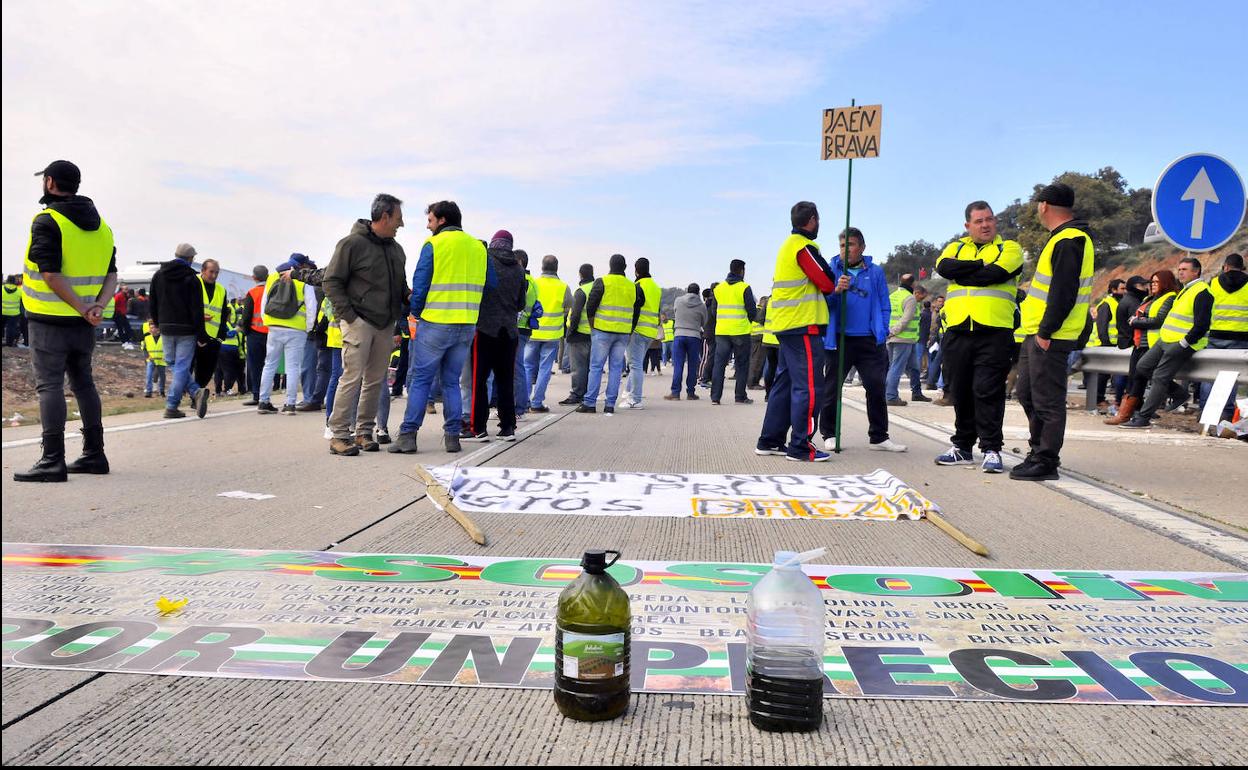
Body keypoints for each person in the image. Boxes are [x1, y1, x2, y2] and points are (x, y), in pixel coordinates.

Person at [15, 159, 117, 482]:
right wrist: (96, 306)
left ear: (48, 183)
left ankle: (52, 459)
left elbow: (50, 274)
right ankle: (94, 454)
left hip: (49, 321)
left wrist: (79, 307)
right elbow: (112, 275)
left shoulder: (47, 221)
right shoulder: (102, 227)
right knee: (84, 383)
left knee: (49, 386)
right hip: (84, 325)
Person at [932, 200, 1024, 473]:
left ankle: (991, 449)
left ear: (995, 221)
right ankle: (962, 447)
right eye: (979, 221)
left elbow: (993, 274)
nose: (985, 225)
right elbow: (944, 267)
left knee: (987, 390)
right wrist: (980, 265)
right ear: (967, 225)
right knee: (959, 390)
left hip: (994, 331)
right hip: (958, 329)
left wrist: (969, 271)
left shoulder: (1010, 248)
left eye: (989, 219)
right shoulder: (956, 246)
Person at [389, 201, 488, 454]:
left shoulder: (434, 244)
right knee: (452, 382)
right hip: (466, 325)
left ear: (442, 220)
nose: (427, 225)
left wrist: (415, 313)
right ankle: (452, 437)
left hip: (436, 323)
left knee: (421, 380)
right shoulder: (478, 247)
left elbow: (420, 284)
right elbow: (491, 285)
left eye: (430, 220)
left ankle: (408, 435)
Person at [1012, 183, 1095, 480]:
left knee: (1047, 399)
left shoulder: (1070, 240)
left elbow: (1064, 292)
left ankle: (1046, 460)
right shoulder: (1060, 238)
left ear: (1044, 206)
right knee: (1027, 394)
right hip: (1035, 332)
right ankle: (1037, 451)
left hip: (1050, 334)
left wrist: (1046, 330)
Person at [323, 194, 410, 455]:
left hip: (385, 323)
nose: (401, 224)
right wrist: (349, 316)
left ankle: (363, 432)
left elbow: (400, 286)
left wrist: (408, 296)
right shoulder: (351, 244)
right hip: (359, 321)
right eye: (398, 218)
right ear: (384, 217)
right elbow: (331, 281)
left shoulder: (396, 250)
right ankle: (339, 435)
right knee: (351, 377)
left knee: (375, 380)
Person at [755, 201, 838, 462]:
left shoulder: (787, 246)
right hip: (803, 324)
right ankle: (801, 446)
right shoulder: (804, 247)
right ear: (812, 220)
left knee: (784, 384)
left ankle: (770, 440)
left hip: (786, 325)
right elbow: (826, 281)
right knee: (811, 387)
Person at [820, 227, 906, 453]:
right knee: (832, 387)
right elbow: (822, 302)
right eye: (841, 245)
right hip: (839, 339)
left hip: (869, 340)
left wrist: (883, 328)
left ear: (862, 247)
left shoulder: (875, 272)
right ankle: (829, 433)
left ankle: (879, 437)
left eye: (850, 245)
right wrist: (836, 291)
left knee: (876, 387)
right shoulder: (832, 269)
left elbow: (884, 302)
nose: (845, 250)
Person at [1120, 257, 1214, 429]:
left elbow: (1202, 324)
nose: (1180, 272)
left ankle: (1143, 418)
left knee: (1159, 377)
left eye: (1185, 269)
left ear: (1196, 271)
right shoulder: (1185, 290)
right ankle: (1179, 393)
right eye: (1179, 269)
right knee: (1143, 367)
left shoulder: (1202, 292)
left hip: (1180, 343)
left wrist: (1184, 343)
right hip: (1165, 340)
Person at [464, 230, 527, 441]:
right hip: (509, 333)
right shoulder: (519, 269)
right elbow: (521, 304)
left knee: (479, 380)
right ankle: (508, 426)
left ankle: (478, 428)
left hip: (484, 330)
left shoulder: (485, 261)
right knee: (505, 380)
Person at [1108, 271, 1179, 425]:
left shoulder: (1169, 297)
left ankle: (1132, 414)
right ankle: (1130, 413)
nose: (1152, 285)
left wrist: (1136, 322)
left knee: (1141, 377)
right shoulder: (1150, 298)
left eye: (1156, 282)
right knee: (1135, 378)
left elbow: (1158, 320)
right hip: (1140, 342)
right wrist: (1136, 321)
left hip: (1154, 343)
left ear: (1165, 283)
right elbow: (1136, 317)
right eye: (1151, 282)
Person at [150, 243, 208, 420]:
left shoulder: (159, 275)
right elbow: (196, 309)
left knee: (172, 362)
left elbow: (153, 301)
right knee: (181, 365)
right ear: (190, 259)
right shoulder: (192, 278)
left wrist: (157, 323)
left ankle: (195, 393)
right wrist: (201, 334)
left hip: (166, 326)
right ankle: (172, 405)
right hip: (187, 329)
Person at [579, 253, 640, 415]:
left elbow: (590, 305)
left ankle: (590, 403)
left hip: (602, 330)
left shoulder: (602, 282)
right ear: (625, 268)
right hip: (623, 333)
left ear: (610, 266)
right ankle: (610, 404)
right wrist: (629, 328)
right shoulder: (632, 286)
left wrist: (593, 326)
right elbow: (636, 310)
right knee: (615, 369)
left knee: (596, 367)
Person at [1200, 254, 1248, 423]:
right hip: (1241, 337)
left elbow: (1205, 309)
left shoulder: (1213, 283)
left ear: (1226, 266)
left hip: (1215, 335)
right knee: (1231, 377)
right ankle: (1225, 415)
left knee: (1210, 374)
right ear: (1242, 267)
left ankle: (1205, 412)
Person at [526, 254, 571, 413]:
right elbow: (567, 309)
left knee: (527, 366)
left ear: (542, 267)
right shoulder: (564, 287)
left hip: (532, 332)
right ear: (556, 268)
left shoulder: (534, 283)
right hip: (552, 334)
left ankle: (524, 402)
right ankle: (537, 403)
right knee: (545, 368)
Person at [710, 259, 758, 405]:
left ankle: (715, 398)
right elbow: (752, 311)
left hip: (722, 331)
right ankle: (740, 396)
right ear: (742, 271)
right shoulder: (745, 287)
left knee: (719, 364)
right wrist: (748, 320)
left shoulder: (718, 289)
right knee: (742, 364)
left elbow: (713, 311)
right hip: (740, 331)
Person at [623, 257, 661, 408]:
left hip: (638, 330)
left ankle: (635, 399)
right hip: (651, 331)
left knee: (635, 365)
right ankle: (628, 391)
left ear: (636, 270)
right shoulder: (656, 287)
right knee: (637, 363)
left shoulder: (637, 286)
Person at [560, 264, 596, 406]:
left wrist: (570, 332)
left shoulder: (581, 291)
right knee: (590, 367)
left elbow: (575, 314)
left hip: (579, 334)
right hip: (594, 334)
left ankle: (576, 394)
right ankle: (588, 393)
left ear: (580, 275)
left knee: (578, 368)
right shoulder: (596, 288)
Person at [885, 273, 923, 406]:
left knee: (913, 367)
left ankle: (917, 393)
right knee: (896, 368)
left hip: (896, 338)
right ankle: (891, 396)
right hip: (903, 338)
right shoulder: (910, 298)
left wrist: (888, 333)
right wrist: (893, 332)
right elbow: (905, 320)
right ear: (912, 284)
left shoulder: (892, 296)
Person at [665, 282, 708, 400]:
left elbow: (676, 312)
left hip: (679, 335)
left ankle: (675, 393)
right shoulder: (702, 305)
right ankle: (690, 393)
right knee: (692, 366)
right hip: (694, 336)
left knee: (678, 365)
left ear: (687, 291)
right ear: (698, 292)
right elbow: (704, 322)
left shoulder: (678, 301)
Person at [1089, 278, 1127, 411]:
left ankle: (1106, 399)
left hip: (1114, 344)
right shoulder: (1106, 304)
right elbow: (1102, 327)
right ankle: (1098, 399)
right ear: (1113, 290)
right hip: (1103, 344)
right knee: (1102, 374)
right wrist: (1106, 344)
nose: (1125, 291)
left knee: (1111, 374)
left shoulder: (1117, 303)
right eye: (1122, 289)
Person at [239, 266, 270, 405]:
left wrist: (245, 332)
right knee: (269, 366)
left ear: (254, 277)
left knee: (255, 366)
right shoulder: (271, 291)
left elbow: (246, 317)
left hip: (254, 335)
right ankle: (266, 396)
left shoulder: (252, 293)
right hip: (271, 334)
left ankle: (257, 395)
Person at [143, 324, 167, 397]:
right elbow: (144, 349)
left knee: (162, 376)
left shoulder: (164, 338)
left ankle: (162, 391)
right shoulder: (147, 338)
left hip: (161, 360)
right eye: (150, 328)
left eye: (153, 328)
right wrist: (147, 357)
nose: (151, 329)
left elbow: (168, 348)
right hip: (151, 360)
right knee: (149, 375)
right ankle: (148, 391)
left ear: (158, 329)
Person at [2, 275, 22, 345]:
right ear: (14, 281)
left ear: (7, 280)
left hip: (2, 312)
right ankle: (9, 343)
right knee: (11, 328)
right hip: (14, 314)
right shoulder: (20, 291)